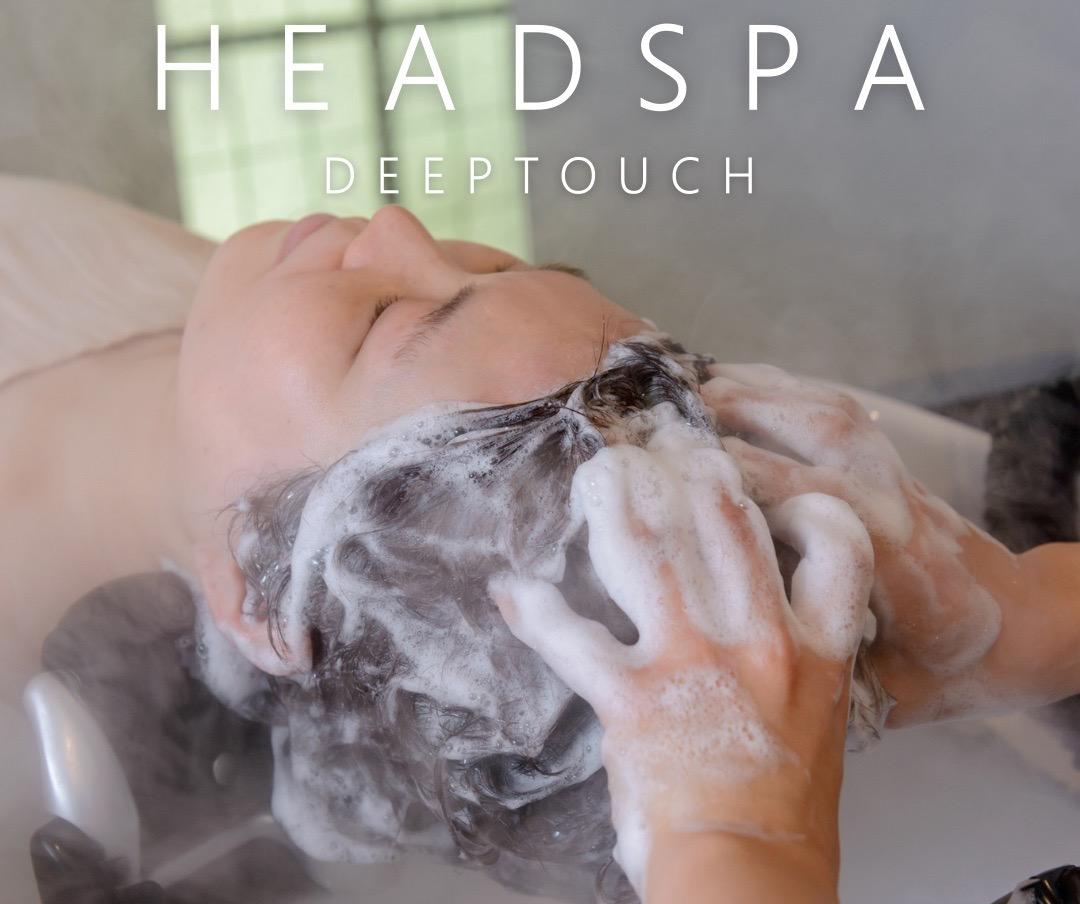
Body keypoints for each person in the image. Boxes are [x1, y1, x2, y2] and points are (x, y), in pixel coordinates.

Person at [3, 174, 1080, 902]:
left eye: (385, 321)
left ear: (254, 596)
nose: (398, 225)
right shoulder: (208, 321)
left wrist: (746, 845)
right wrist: (1023, 620)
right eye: (503, 269)